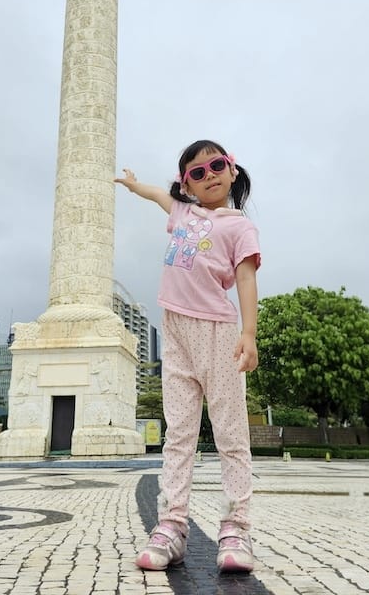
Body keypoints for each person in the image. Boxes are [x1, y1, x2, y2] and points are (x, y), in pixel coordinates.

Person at [115, 139, 261, 574]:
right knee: (178, 434)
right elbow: (159, 196)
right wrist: (135, 185)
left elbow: (246, 278)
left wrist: (249, 333)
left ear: (232, 170)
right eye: (196, 172)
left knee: (230, 433)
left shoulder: (239, 227)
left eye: (216, 165)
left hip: (217, 330)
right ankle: (172, 524)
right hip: (175, 330)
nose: (209, 175)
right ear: (187, 184)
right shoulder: (182, 212)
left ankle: (236, 527)